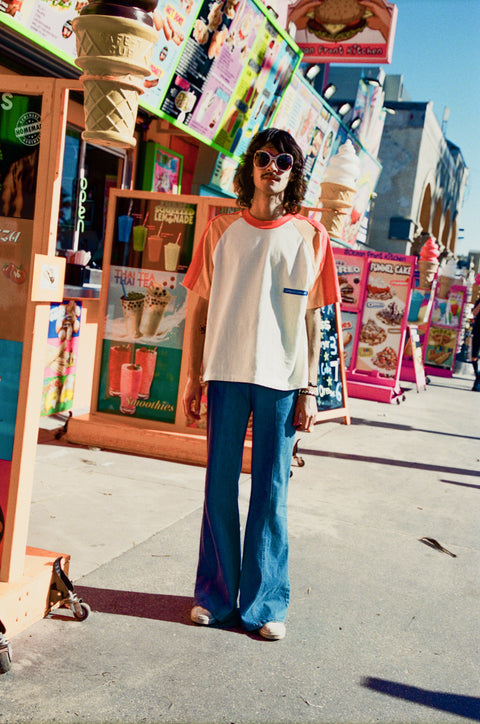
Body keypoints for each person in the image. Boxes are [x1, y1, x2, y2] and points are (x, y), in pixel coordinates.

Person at [182, 128, 340, 640]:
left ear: (294, 173)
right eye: (264, 158)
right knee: (219, 489)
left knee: (272, 493)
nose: (273, 167)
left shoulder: (313, 237)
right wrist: (191, 377)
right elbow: (199, 310)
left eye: (285, 161)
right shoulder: (218, 230)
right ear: (249, 166)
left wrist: (312, 390)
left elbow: (317, 320)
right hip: (225, 373)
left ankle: (266, 605)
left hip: (283, 381)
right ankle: (214, 598)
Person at [471, 296, 480, 391]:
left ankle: (478, 381)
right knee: (474, 357)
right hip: (478, 331)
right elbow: (474, 313)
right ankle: (477, 376)